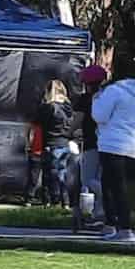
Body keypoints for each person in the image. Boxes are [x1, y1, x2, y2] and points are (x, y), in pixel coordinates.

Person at [91, 58, 135, 243]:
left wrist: (96, 99)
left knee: (111, 187)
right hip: (133, 143)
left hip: (112, 143)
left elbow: (99, 116)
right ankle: (117, 225)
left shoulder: (114, 90)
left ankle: (121, 226)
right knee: (121, 186)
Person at [33, 79, 78, 208]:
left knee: (49, 174)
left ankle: (51, 201)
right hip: (65, 143)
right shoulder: (68, 108)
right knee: (62, 174)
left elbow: (37, 123)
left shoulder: (49, 107)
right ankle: (66, 202)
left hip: (51, 142)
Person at [75, 64, 109, 225]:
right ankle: (100, 213)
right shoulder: (108, 97)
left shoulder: (85, 99)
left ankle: (108, 195)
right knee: (100, 176)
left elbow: (77, 120)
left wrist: (70, 132)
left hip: (91, 142)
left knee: (87, 179)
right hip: (108, 143)